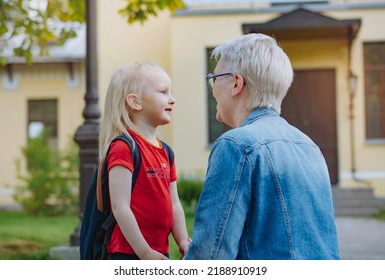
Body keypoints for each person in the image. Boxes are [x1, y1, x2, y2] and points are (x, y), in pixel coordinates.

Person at [184, 34, 340, 260]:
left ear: (236, 83)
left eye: (214, 78)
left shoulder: (235, 146)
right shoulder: (310, 148)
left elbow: (211, 256)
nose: (213, 88)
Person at [99, 62, 190, 260]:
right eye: (163, 92)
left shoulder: (166, 152)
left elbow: (174, 203)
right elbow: (120, 207)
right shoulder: (124, 148)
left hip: (157, 252)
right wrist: (144, 252)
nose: (172, 99)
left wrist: (182, 240)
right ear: (135, 102)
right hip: (128, 253)